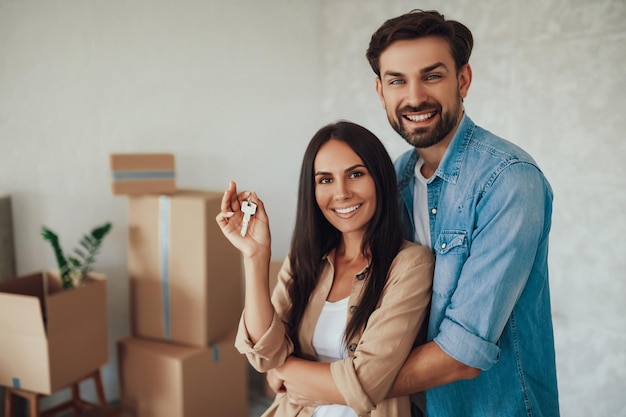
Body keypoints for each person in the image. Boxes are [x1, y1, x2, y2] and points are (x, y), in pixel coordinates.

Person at [271, 9, 560, 417]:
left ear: (463, 80)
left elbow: (462, 353)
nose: (414, 96)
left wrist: (331, 386)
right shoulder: (392, 178)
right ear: (380, 91)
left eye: (432, 75)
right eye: (397, 81)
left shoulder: (509, 181)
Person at [216, 121, 434, 417]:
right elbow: (265, 355)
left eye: (355, 174)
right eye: (325, 180)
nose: (341, 193)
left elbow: (366, 381)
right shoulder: (304, 259)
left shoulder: (410, 265)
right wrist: (255, 256)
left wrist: (286, 369)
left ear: (379, 179)